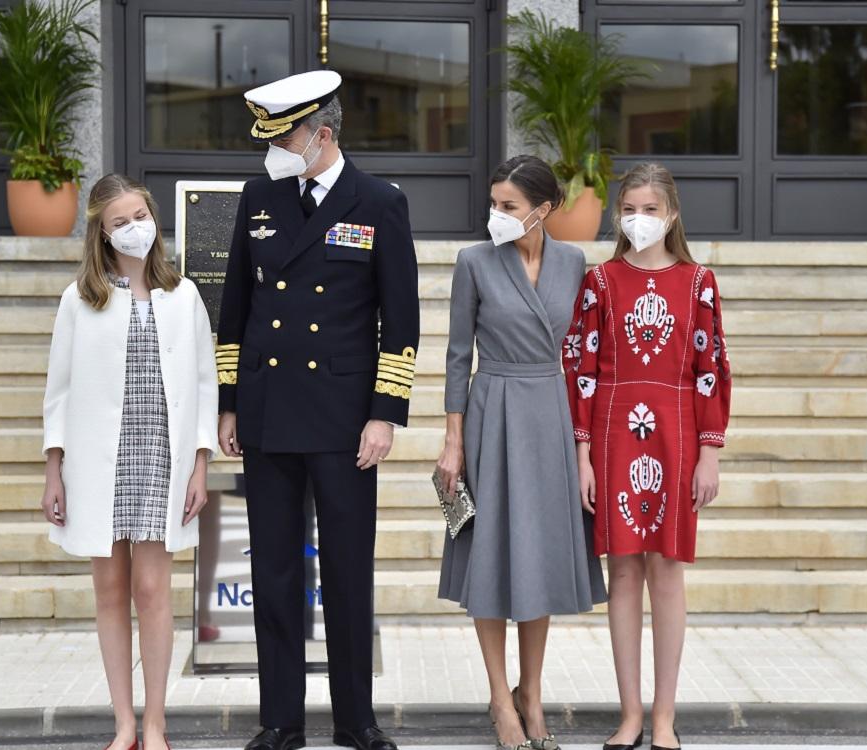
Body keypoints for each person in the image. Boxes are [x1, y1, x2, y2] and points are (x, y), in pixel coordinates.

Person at [216, 70, 419, 750]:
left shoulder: (379, 202)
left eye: (285, 138)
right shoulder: (260, 197)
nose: (272, 152)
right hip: (270, 411)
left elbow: (402, 320)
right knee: (274, 570)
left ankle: (355, 720)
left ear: (322, 134)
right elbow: (235, 310)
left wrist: (385, 413)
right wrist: (229, 404)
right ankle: (280, 720)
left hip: (343, 419)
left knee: (346, 571)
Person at [41, 173, 219, 750]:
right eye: (120, 222)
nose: (134, 228)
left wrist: (200, 463)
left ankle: (157, 722)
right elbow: (59, 391)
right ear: (100, 231)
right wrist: (53, 470)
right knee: (110, 590)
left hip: (161, 460)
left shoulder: (183, 294)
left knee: (153, 590)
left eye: (140, 216)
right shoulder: (80, 299)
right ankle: (123, 723)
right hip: (99, 462)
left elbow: (203, 382)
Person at [436, 155, 607, 750]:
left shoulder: (574, 262)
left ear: (544, 208)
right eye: (493, 205)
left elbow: (584, 355)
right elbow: (459, 355)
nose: (496, 216)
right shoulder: (474, 262)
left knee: (538, 559)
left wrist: (585, 443)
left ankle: (531, 696)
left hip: (550, 412)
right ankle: (498, 695)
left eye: (508, 206)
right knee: (490, 555)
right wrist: (453, 439)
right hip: (493, 411)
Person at [564, 163, 731, 750]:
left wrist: (709, 454)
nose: (639, 219)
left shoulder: (699, 282)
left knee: (667, 571)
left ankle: (665, 716)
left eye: (651, 209)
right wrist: (582, 454)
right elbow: (581, 369)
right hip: (612, 432)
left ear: (673, 214)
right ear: (617, 215)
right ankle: (630, 713)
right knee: (624, 572)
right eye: (629, 209)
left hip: (678, 434)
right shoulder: (600, 281)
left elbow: (712, 370)